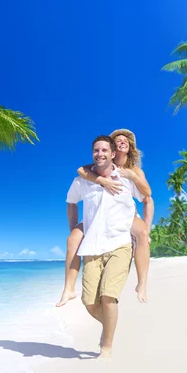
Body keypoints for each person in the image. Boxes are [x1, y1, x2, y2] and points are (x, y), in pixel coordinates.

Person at [65, 135, 144, 358]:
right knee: (89, 302)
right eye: (96, 151)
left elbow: (146, 195)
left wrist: (143, 224)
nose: (100, 154)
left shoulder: (126, 177)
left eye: (104, 151)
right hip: (92, 246)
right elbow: (70, 201)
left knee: (108, 297)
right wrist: (73, 229)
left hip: (120, 243)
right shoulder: (83, 180)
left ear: (112, 154)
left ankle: (106, 347)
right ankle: (112, 323)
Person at [56, 129, 154, 306]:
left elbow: (148, 196)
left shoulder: (132, 171)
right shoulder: (98, 168)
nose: (122, 142)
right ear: (113, 148)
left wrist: (147, 227)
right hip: (97, 215)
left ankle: (142, 284)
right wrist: (102, 181)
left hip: (123, 215)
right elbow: (81, 170)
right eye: (118, 140)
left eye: (126, 140)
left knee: (142, 234)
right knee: (73, 240)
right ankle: (69, 288)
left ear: (130, 147)